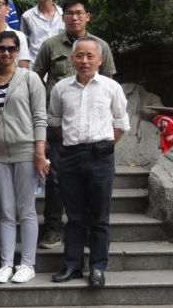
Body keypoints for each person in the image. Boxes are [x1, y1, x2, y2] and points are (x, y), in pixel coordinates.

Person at [33, 0, 116, 250]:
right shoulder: (50, 45)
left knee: (91, 182)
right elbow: (36, 79)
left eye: (79, 13)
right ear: (63, 17)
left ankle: (89, 232)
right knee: (56, 178)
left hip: (92, 129)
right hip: (59, 124)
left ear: (87, 16)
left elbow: (110, 85)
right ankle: (53, 228)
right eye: (69, 13)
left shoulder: (101, 46)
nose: (74, 17)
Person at [49, 37, 130, 287]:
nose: (84, 61)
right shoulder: (61, 88)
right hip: (70, 156)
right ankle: (72, 264)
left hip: (100, 157)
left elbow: (121, 123)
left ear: (100, 60)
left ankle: (97, 267)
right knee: (74, 216)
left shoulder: (111, 88)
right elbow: (55, 121)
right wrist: (75, 142)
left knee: (99, 216)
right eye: (80, 56)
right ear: (72, 59)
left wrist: (104, 146)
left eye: (90, 56)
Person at [0, 31, 49, 285]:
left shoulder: (29, 78)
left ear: (18, 51)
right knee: (6, 211)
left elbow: (40, 116)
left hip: (26, 151)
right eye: (2, 48)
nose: (6, 53)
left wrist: (40, 153)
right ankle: (6, 263)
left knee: (27, 210)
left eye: (11, 48)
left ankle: (28, 264)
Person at [19, 0, 65, 69]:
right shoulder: (27, 16)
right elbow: (24, 44)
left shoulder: (64, 15)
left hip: (60, 67)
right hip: (35, 67)